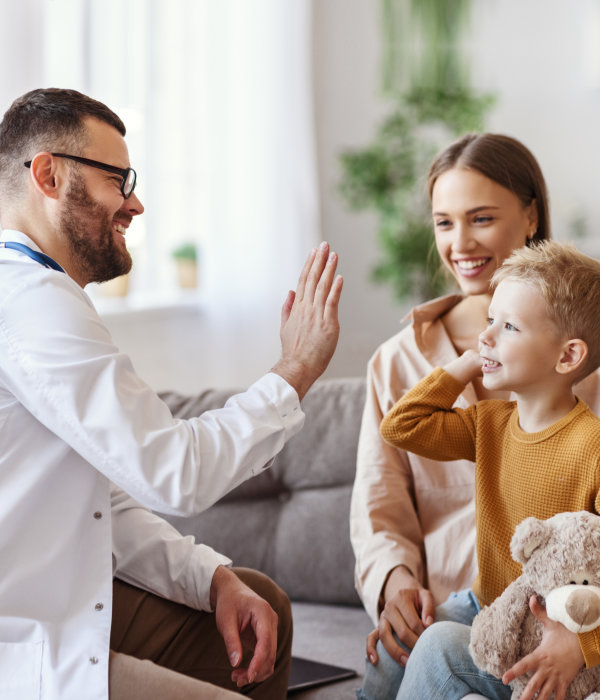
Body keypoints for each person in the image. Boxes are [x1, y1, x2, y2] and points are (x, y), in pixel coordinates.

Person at [0, 87, 343, 700]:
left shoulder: (37, 294)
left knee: (259, 599)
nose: (135, 203)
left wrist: (212, 578)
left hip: (54, 603)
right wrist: (295, 369)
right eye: (118, 179)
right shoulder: (29, 303)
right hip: (21, 640)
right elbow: (174, 473)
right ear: (48, 175)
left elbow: (98, 498)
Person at [349, 133, 600, 699]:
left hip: (562, 612)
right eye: (443, 223)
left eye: (480, 218)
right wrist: (396, 585)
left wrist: (584, 636)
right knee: (421, 651)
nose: (460, 242)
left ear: (530, 214)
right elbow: (379, 507)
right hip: (459, 606)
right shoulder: (398, 363)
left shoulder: (582, 353)